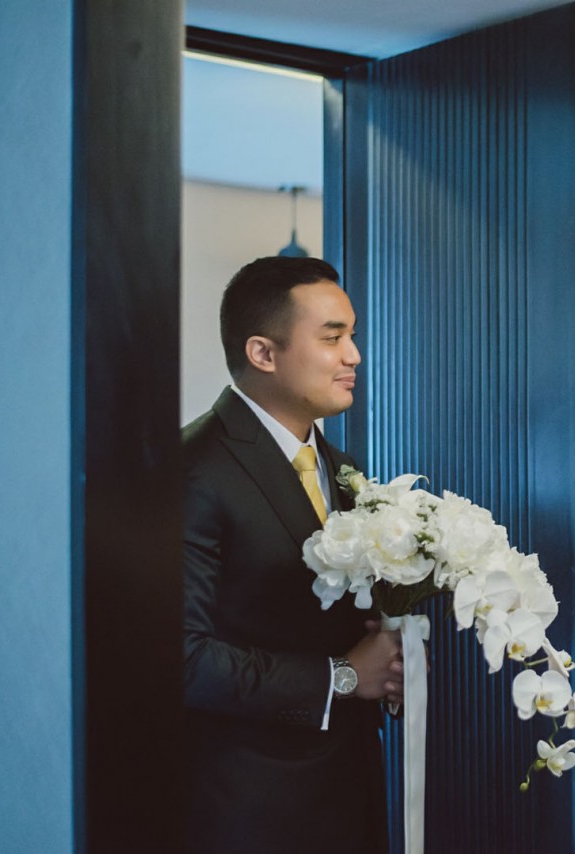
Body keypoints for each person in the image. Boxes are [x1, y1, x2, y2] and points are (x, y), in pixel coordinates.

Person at [183, 257, 402, 854]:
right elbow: (183, 657)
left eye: (352, 335)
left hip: (350, 793)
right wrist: (343, 677)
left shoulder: (343, 468)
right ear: (263, 353)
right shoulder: (193, 469)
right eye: (332, 338)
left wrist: (391, 666)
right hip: (251, 808)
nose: (354, 355)